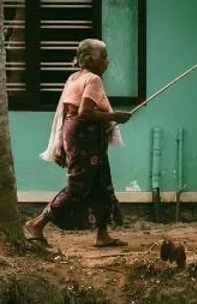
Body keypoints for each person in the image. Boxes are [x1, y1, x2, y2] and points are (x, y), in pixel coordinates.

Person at [25, 39, 132, 247]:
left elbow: (66, 113)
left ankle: (102, 234)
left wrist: (61, 144)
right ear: (90, 59)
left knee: (102, 181)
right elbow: (85, 112)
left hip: (75, 133)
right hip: (86, 135)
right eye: (104, 56)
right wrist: (115, 116)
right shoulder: (93, 80)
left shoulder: (74, 77)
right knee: (78, 186)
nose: (107, 61)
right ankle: (37, 223)